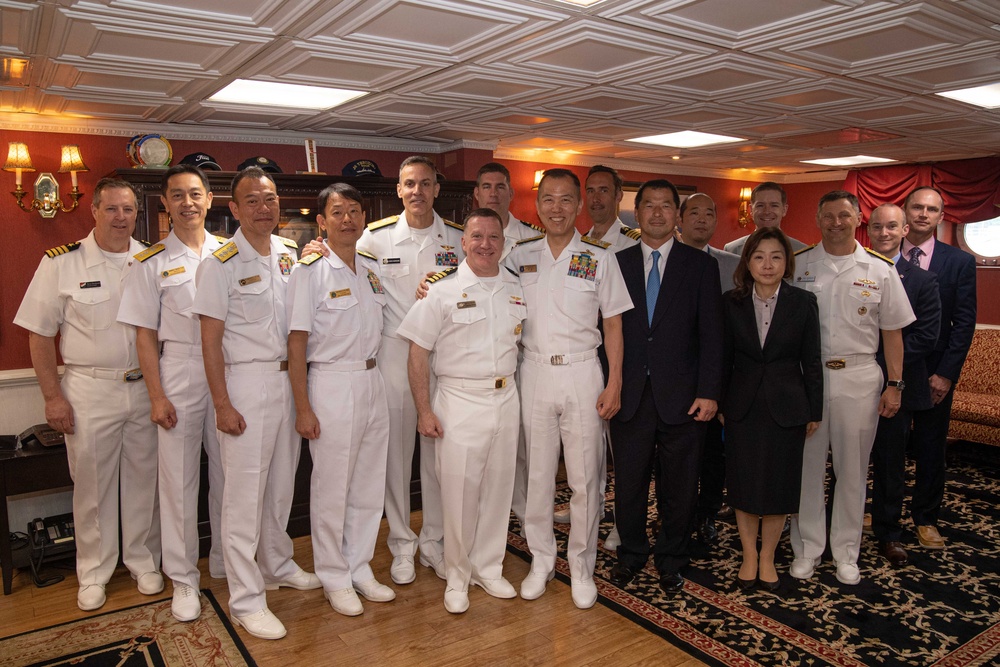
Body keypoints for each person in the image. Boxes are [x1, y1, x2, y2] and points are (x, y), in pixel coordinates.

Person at [14, 177, 162, 612]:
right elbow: (40, 336)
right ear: (93, 210)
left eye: (129, 209)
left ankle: (143, 561)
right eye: (112, 208)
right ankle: (94, 572)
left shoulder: (151, 260)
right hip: (89, 388)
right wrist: (52, 397)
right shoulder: (63, 263)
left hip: (145, 387)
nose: (121, 217)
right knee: (93, 487)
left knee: (144, 481)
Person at [192, 166, 320, 640]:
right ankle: (246, 599)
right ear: (234, 209)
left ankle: (277, 563)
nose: (263, 208)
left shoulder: (290, 257)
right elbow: (210, 342)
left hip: (289, 385)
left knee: (282, 486)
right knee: (243, 497)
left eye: (269, 199)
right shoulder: (220, 263)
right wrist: (222, 404)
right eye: (252, 201)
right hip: (244, 383)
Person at [506, 168, 632, 609]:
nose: (556, 208)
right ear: (537, 206)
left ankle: (582, 566)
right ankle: (542, 559)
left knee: (585, 477)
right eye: (548, 200)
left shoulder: (600, 257)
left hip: (583, 373)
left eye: (565, 200)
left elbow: (613, 323)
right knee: (537, 477)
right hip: (534, 372)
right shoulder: (518, 255)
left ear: (578, 206)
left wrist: (615, 381)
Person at [398, 208, 525, 614]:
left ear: (503, 244)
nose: (485, 244)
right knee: (458, 495)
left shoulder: (517, 289)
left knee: (498, 489)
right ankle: (456, 576)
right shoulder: (441, 291)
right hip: (459, 400)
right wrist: (423, 411)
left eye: (493, 237)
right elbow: (417, 353)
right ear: (463, 243)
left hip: (506, 398)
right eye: (476, 237)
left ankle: (488, 567)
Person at [116, 165, 226, 622]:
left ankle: (226, 559)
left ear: (210, 199)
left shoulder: (230, 253)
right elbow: (144, 336)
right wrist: (157, 396)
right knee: (178, 482)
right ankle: (183, 578)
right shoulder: (151, 261)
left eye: (195, 194)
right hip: (178, 370)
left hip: (228, 370)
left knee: (230, 474)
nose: (188, 203)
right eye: (177, 195)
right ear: (164, 203)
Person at [790, 190, 914, 586]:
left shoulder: (879, 269)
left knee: (852, 469)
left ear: (857, 217)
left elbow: (892, 332)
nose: (836, 223)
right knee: (807, 467)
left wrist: (894, 384)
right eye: (828, 216)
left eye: (844, 215)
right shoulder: (800, 265)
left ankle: (846, 551)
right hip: (809, 378)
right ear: (817, 218)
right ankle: (808, 548)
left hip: (859, 376)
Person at [608, 179, 723, 595]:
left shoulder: (701, 266)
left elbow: (713, 337)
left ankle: (672, 558)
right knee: (630, 484)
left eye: (665, 206)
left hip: (685, 399)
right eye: (648, 206)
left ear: (676, 215)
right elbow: (604, 331)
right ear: (635, 214)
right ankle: (632, 554)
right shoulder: (614, 264)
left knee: (680, 486)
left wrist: (710, 391)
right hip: (630, 395)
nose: (657, 213)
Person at [286, 182, 394, 616]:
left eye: (354, 210)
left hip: (372, 380)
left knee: (369, 483)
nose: (347, 219)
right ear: (321, 221)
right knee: (332, 488)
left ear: (363, 217)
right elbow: (296, 344)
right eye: (337, 212)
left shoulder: (369, 267)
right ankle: (333, 573)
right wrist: (303, 407)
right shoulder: (308, 271)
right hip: (330, 384)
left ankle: (360, 565)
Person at [357, 155, 465, 585]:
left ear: (437, 189)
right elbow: (340, 269)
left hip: (444, 358)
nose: (417, 191)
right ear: (397, 190)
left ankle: (434, 542)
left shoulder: (458, 239)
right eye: (408, 184)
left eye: (425, 183)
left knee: (439, 457)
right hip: (394, 354)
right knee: (396, 459)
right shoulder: (375, 238)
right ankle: (401, 544)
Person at [721, 228, 822, 591]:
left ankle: (768, 557)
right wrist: (719, 401)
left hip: (788, 405)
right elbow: (722, 358)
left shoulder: (803, 302)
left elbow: (812, 360)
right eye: (759, 256)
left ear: (787, 262)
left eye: (776, 256)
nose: (767, 264)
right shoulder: (730, 302)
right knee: (744, 483)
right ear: (747, 262)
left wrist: (815, 409)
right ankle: (749, 554)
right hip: (741, 404)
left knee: (779, 485)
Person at [900, 187, 977, 550]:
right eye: (917, 206)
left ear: (941, 217)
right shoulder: (881, 256)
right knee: (886, 446)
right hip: (891, 367)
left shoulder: (957, 261)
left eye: (932, 209)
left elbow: (963, 323)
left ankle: (925, 518)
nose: (923, 214)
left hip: (933, 372)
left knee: (931, 447)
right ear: (905, 210)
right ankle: (881, 510)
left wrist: (946, 373)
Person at [866, 204, 941, 567]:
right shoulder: (856, 269)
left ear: (904, 230)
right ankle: (841, 524)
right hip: (850, 380)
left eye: (891, 227)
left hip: (897, 384)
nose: (883, 233)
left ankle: (888, 533)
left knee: (890, 462)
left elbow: (926, 337)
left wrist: (874, 360)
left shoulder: (923, 281)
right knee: (844, 460)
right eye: (877, 226)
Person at [676, 192, 740, 545]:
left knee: (714, 456)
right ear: (680, 219)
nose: (702, 219)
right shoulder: (662, 261)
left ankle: (707, 515)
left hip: (717, 378)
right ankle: (677, 516)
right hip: (675, 379)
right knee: (675, 459)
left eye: (709, 212)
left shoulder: (731, 265)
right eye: (694, 212)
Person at [473, 161, 544, 259]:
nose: (493, 193)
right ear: (477, 194)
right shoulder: (463, 236)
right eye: (487, 187)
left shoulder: (534, 238)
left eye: (500, 187)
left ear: (511, 194)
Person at [724, 182, 807, 257]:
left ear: (784, 210)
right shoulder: (731, 250)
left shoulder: (802, 251)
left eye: (774, 205)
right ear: (751, 210)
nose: (767, 211)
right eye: (760, 205)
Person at [582, 165, 640, 252]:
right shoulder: (581, 243)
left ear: (618, 196)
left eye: (603, 191)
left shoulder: (633, 244)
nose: (595, 199)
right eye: (591, 191)